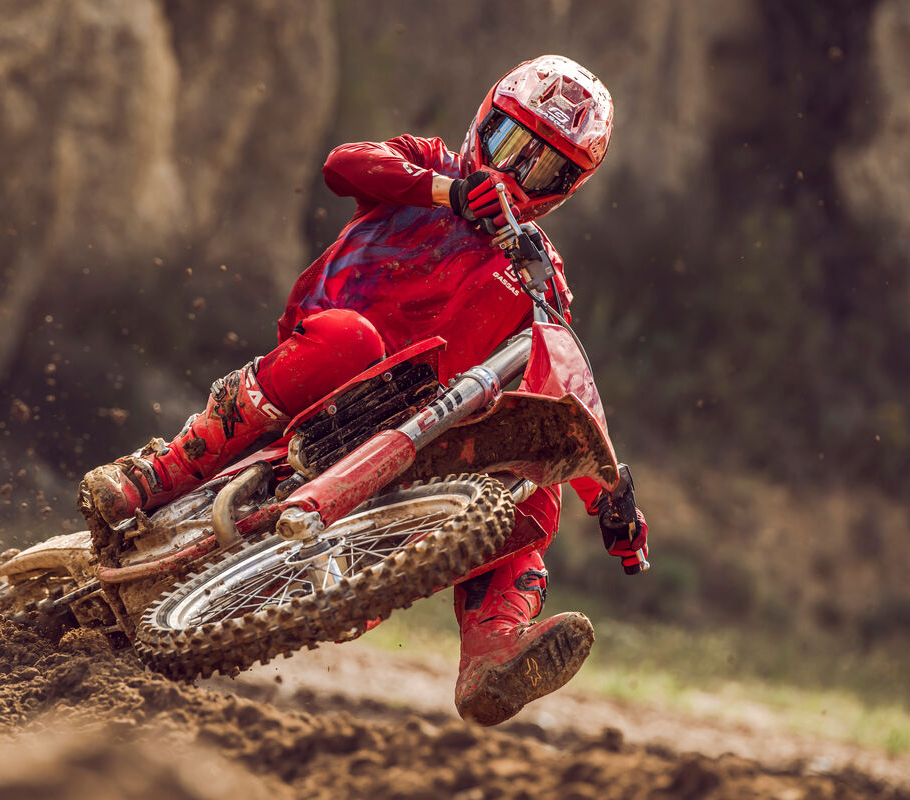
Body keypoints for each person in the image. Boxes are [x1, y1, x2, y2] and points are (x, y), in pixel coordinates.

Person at [78, 54, 649, 726]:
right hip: (332, 361)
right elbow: (344, 164)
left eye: (544, 168)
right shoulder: (429, 164)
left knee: (531, 481)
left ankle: (494, 651)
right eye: (510, 144)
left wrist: (609, 491)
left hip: (422, 420)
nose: (517, 173)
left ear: (567, 187)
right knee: (352, 341)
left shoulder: (538, 269)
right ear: (484, 121)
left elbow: (560, 382)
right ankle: (156, 473)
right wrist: (448, 192)